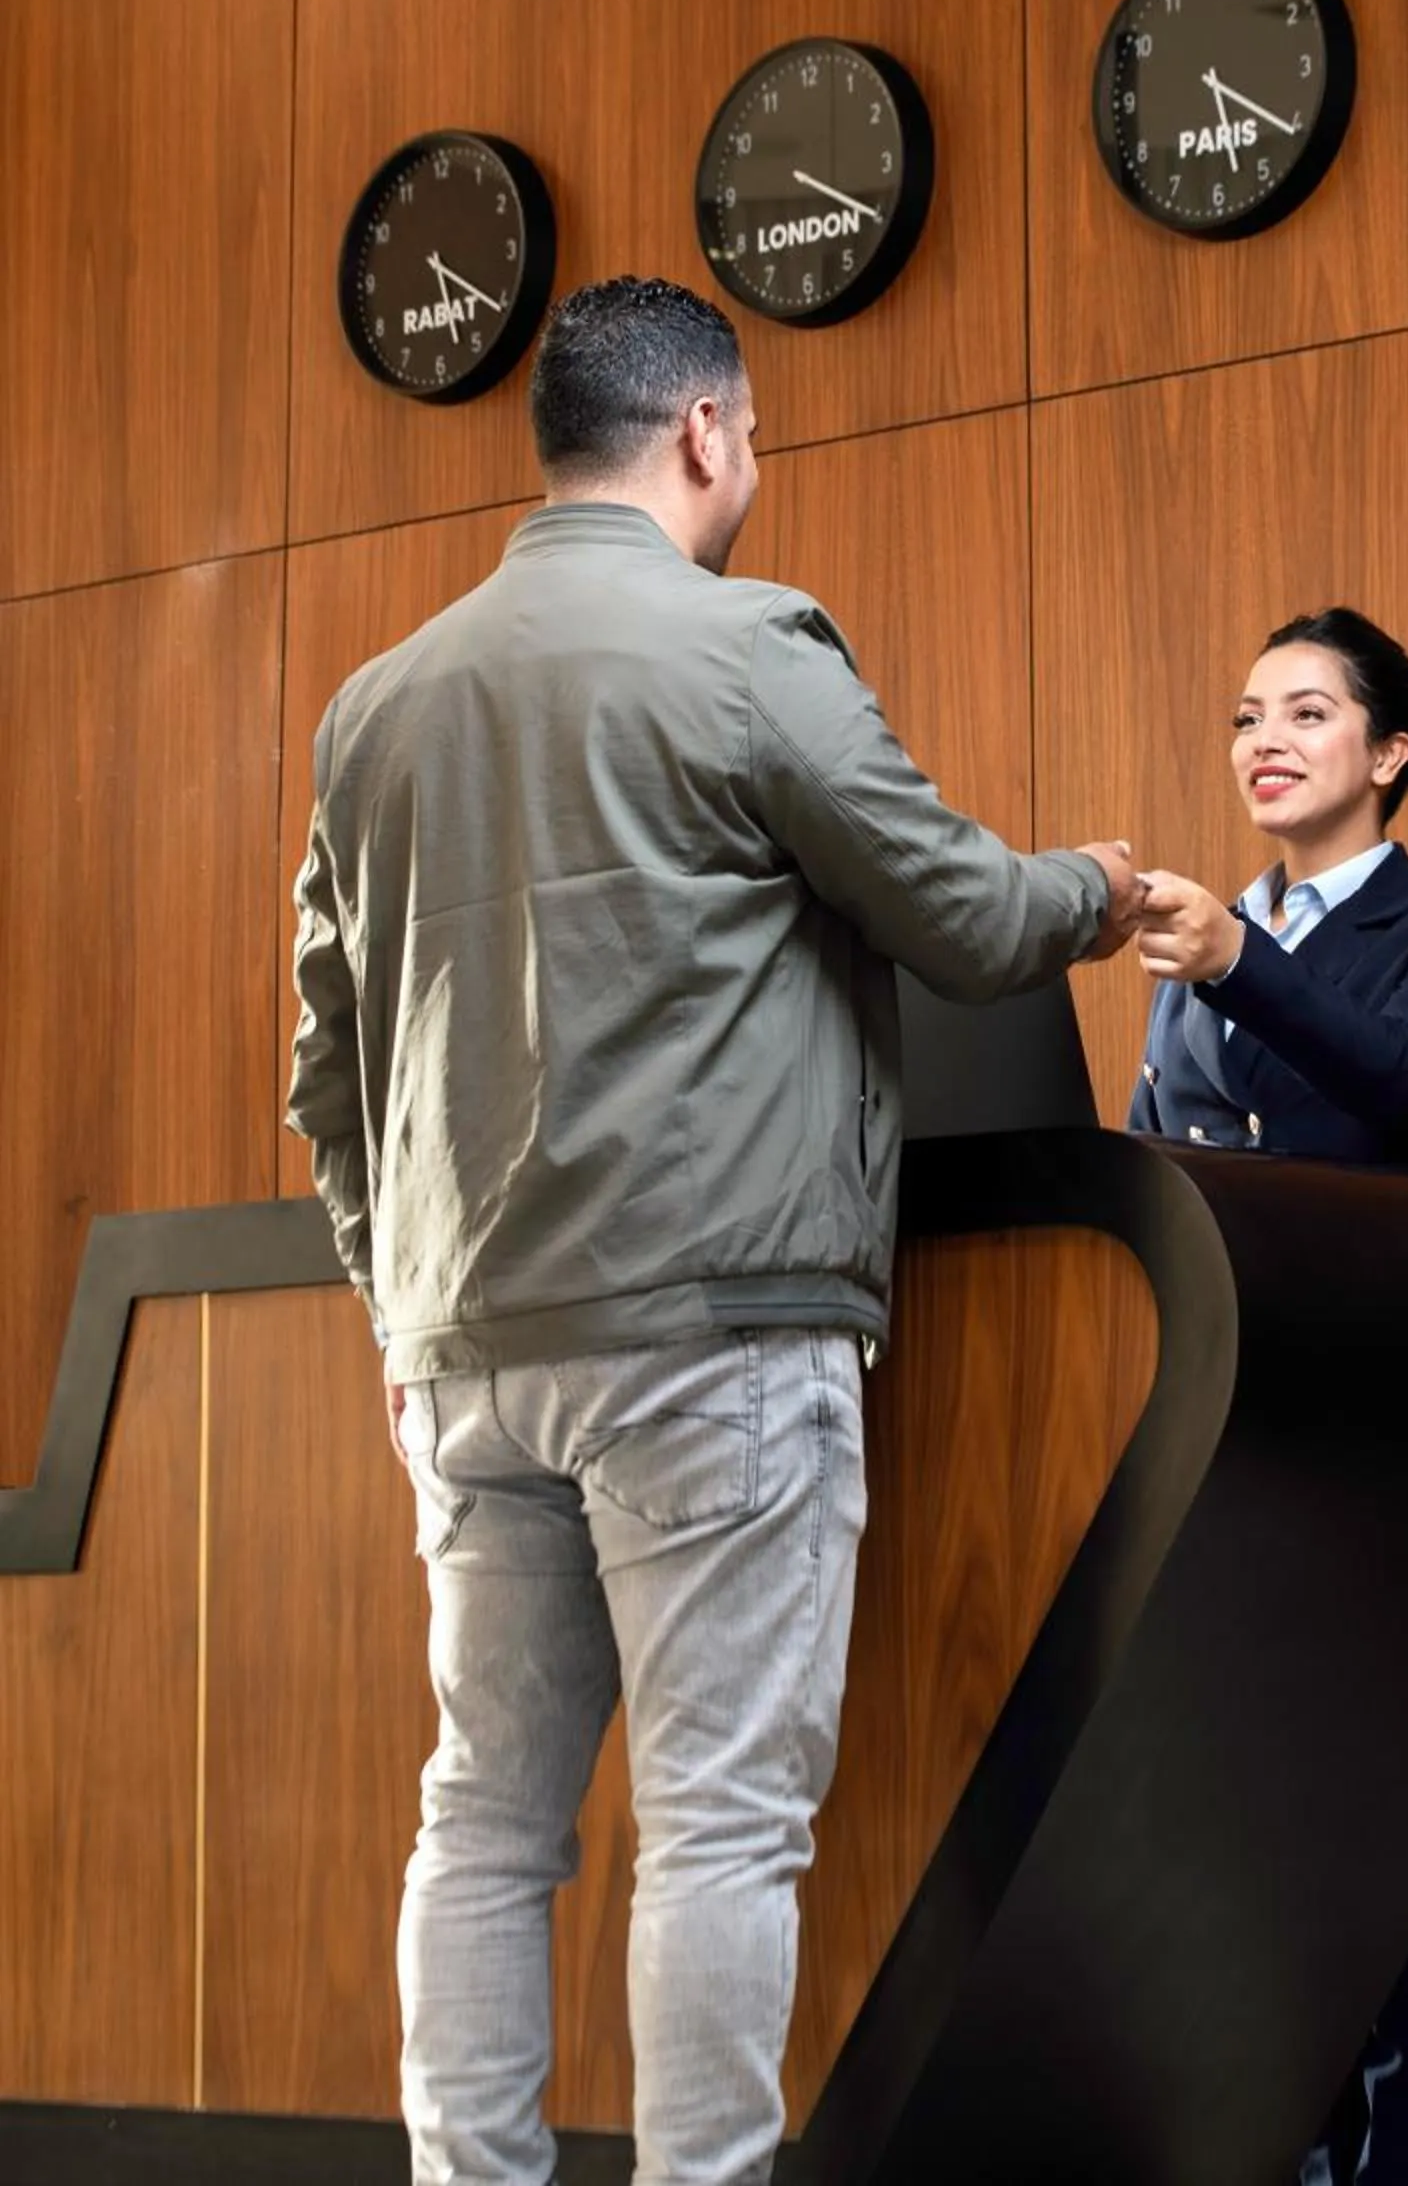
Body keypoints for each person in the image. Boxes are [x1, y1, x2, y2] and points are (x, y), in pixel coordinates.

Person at [287, 275, 1143, 2186]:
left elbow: (323, 1078)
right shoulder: (749, 645)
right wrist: (1100, 887)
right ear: (700, 433)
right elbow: (962, 913)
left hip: (472, 1370)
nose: (755, 465)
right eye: (752, 434)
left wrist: (396, 1316)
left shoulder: (376, 707)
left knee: (486, 1823)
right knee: (722, 1826)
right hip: (713, 1343)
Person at [1128, 605, 1408, 2186]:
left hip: (1374, 1428)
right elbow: (1165, 1154)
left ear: (1391, 751)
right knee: (1243, 1826)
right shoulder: (1204, 939)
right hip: (1220, 1423)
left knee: (1396, 1832)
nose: (1262, 740)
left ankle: (1407, 2169)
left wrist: (1243, 964)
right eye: (1242, 715)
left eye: (1304, 712)